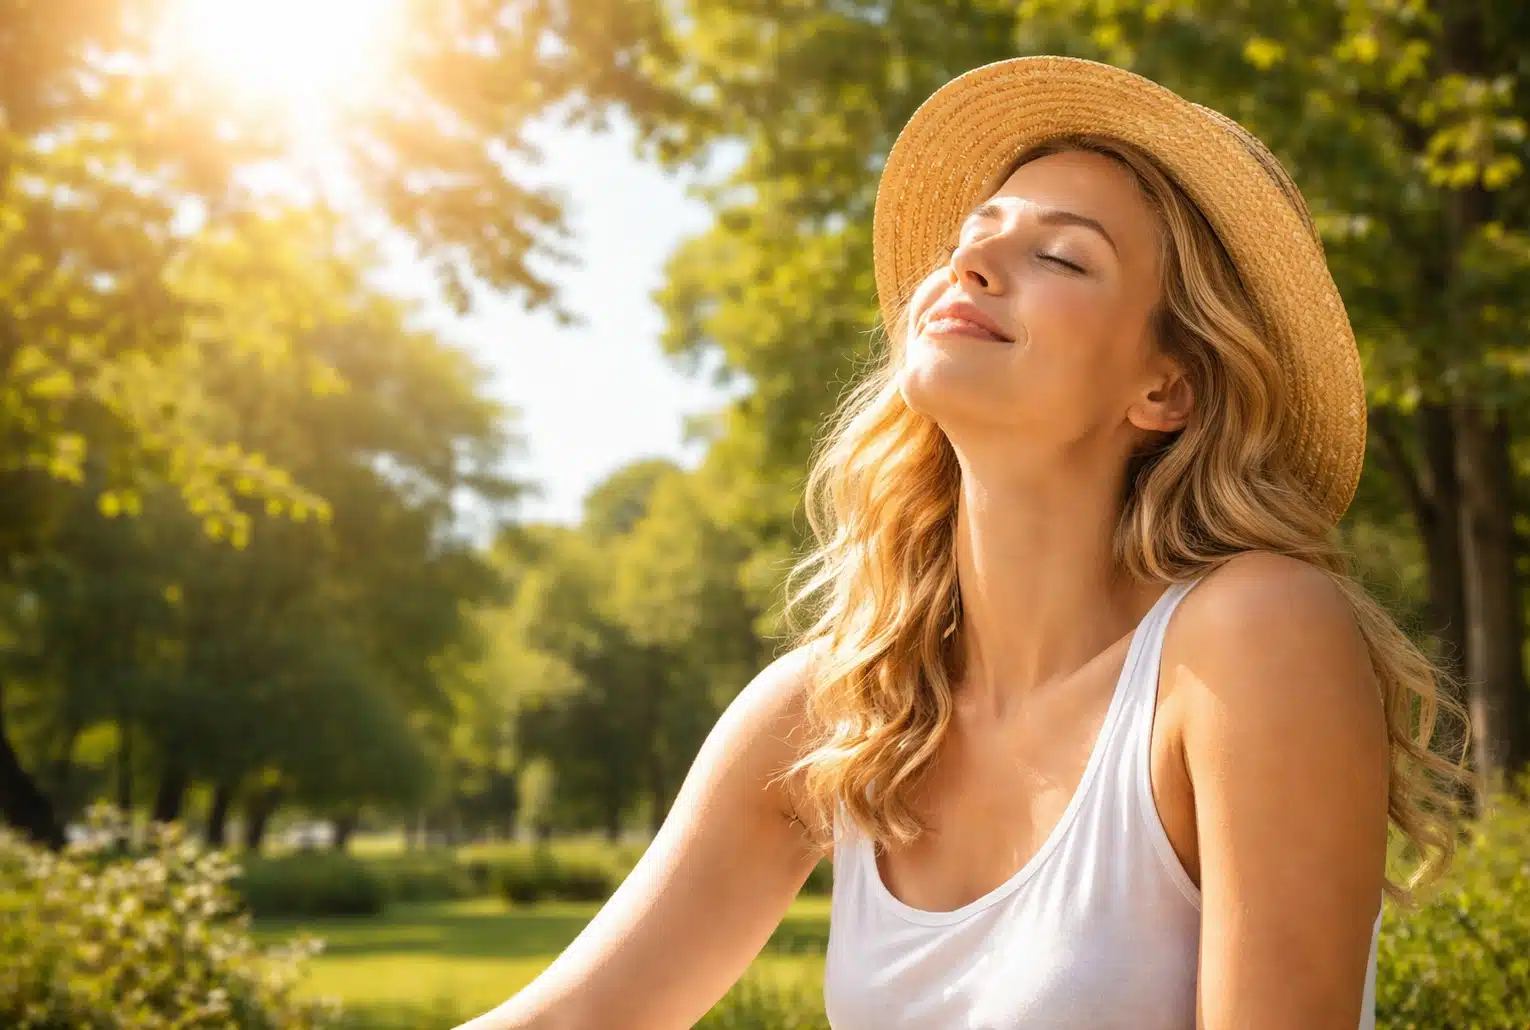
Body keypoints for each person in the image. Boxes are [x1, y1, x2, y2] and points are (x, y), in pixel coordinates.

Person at [456, 55, 1469, 1030]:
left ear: (1167, 387)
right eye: (976, 235)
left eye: (1062, 255)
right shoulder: (839, 704)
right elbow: (580, 1014)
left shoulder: (1253, 635)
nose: (973, 261)